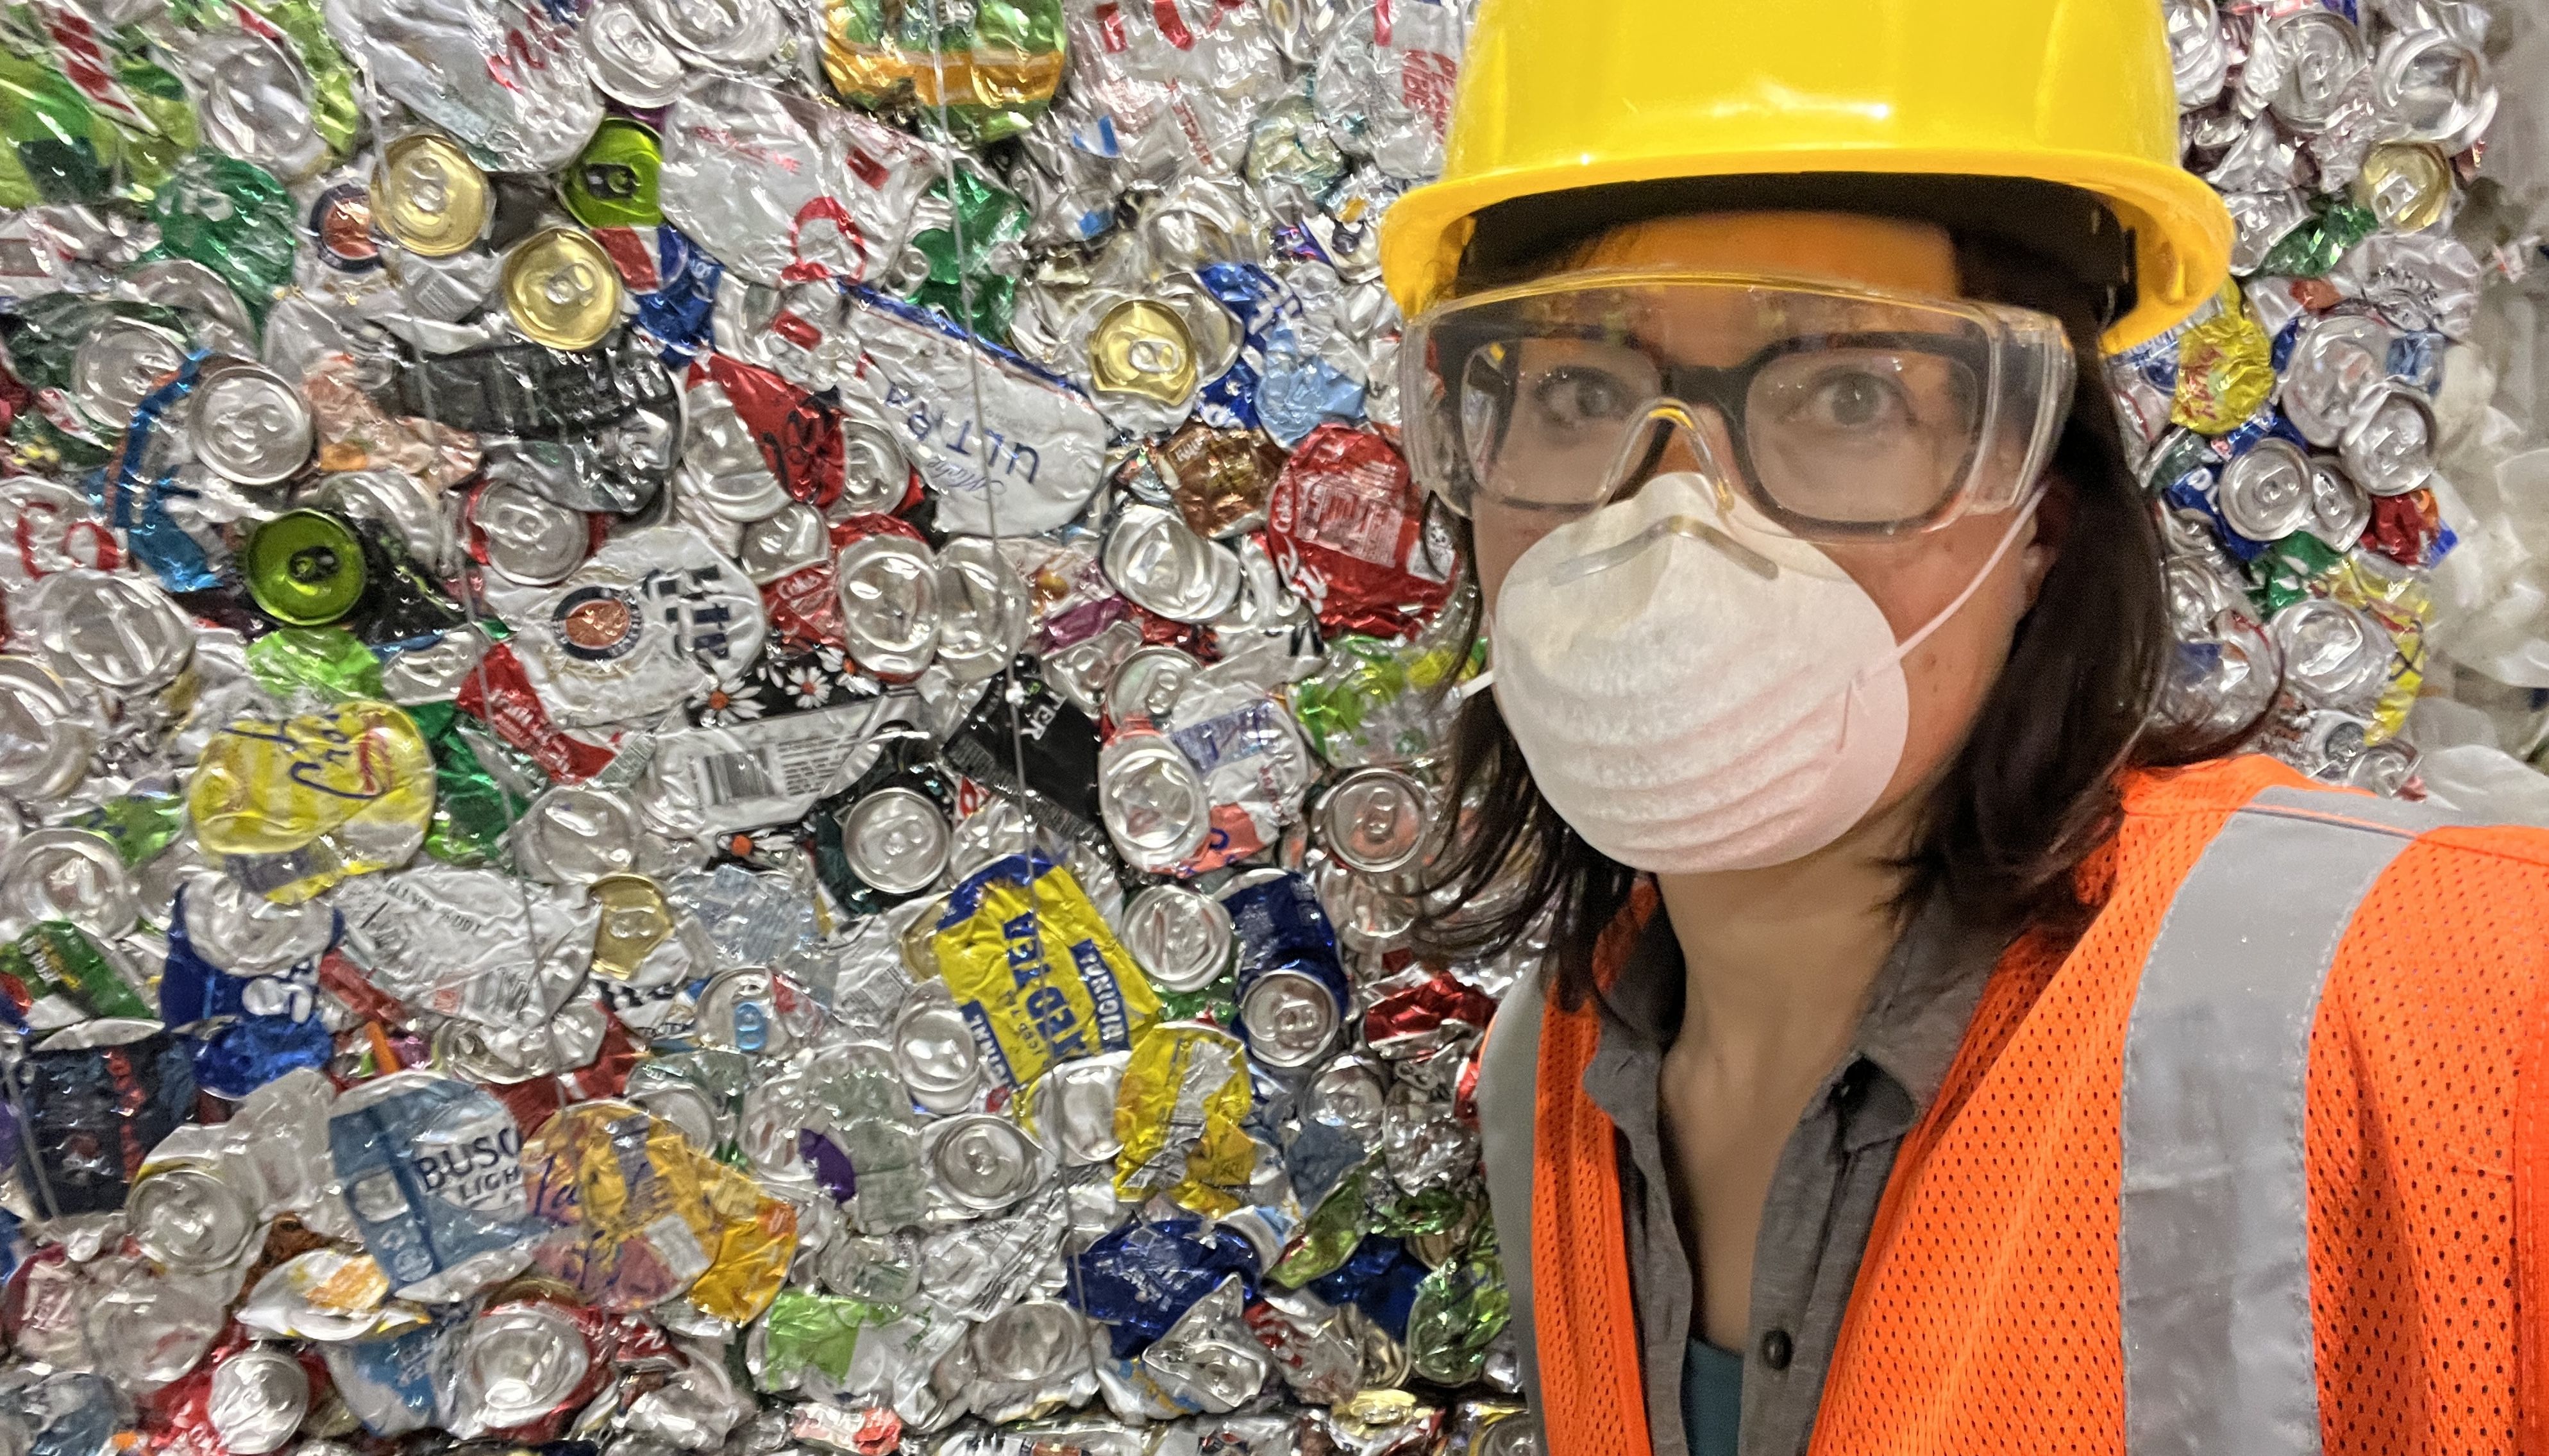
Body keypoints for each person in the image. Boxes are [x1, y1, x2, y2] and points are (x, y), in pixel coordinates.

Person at [1374, 4, 2549, 1455]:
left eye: (1848, 392)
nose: (1670, 508)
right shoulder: (1549, 1084)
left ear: (2041, 519)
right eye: (1570, 388)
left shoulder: (2463, 1014)